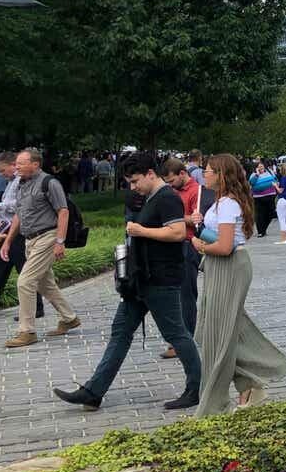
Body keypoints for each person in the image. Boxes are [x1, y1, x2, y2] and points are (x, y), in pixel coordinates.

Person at [53, 152, 201, 411]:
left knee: (176, 334)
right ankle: (93, 391)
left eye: (135, 181)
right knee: (120, 332)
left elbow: (178, 232)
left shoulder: (167, 198)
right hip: (140, 279)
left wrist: (141, 230)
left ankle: (196, 388)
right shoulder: (149, 198)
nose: (133, 187)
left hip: (161, 279)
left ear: (150, 174)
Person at [192, 154, 286, 415]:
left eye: (208, 171)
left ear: (222, 175)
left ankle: (216, 403)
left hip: (229, 266)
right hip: (220, 266)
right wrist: (197, 225)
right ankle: (249, 386)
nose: (204, 174)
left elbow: (225, 247)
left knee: (220, 334)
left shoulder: (228, 204)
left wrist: (200, 245)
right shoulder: (221, 202)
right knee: (215, 330)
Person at [0, 148, 81, 348]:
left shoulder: (49, 183)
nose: (16, 167)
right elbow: (18, 215)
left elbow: (63, 212)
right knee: (45, 284)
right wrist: (8, 241)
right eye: (16, 163)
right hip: (30, 240)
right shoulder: (21, 184)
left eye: (21, 163)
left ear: (35, 164)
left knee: (25, 282)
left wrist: (60, 242)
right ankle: (69, 318)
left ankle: (27, 331)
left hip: (48, 237)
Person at [0, 152, 44, 322]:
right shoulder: (12, 182)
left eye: (2, 170)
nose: (1, 174)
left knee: (23, 271)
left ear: (13, 164)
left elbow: (22, 204)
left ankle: (34, 307)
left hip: (18, 232)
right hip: (5, 230)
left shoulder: (23, 181)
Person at [163, 158, 202, 347]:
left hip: (188, 245)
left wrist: (174, 217)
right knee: (174, 294)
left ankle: (186, 339)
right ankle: (178, 337)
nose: (170, 185)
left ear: (182, 173)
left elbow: (197, 221)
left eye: (172, 181)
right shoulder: (173, 191)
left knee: (186, 295)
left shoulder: (196, 191)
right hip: (173, 245)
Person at [248, 161, 277, 238]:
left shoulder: (269, 172)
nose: (260, 168)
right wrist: (257, 174)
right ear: (256, 168)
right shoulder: (253, 175)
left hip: (270, 196)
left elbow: (275, 180)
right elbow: (251, 183)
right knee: (260, 215)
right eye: (259, 167)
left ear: (264, 166)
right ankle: (260, 231)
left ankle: (264, 229)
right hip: (258, 197)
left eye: (262, 166)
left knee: (270, 214)